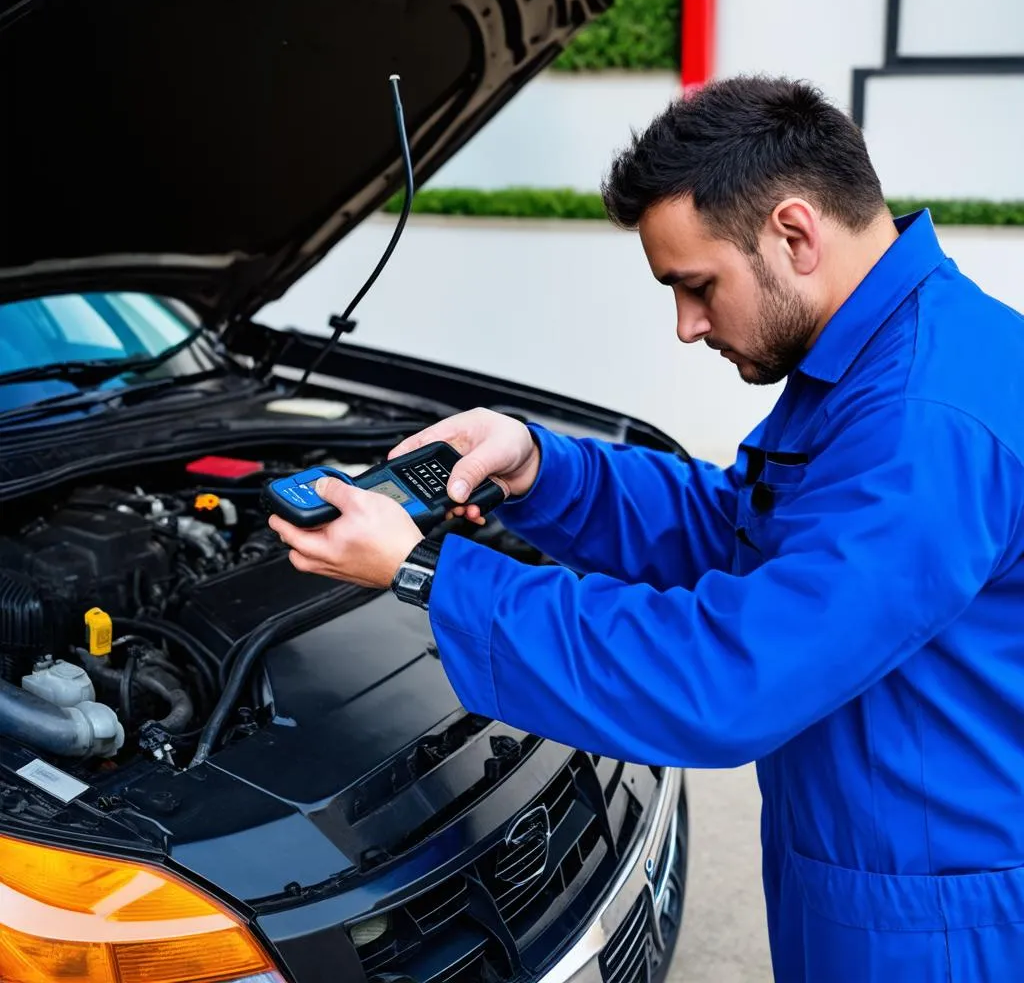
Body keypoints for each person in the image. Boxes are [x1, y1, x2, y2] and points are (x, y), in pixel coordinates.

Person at [269, 76, 1024, 981]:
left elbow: (731, 673)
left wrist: (430, 573)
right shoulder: (890, 354)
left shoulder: (922, 423)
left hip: (935, 919)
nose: (685, 325)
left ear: (794, 232)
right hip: (882, 855)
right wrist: (541, 466)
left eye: (697, 286)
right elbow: (741, 527)